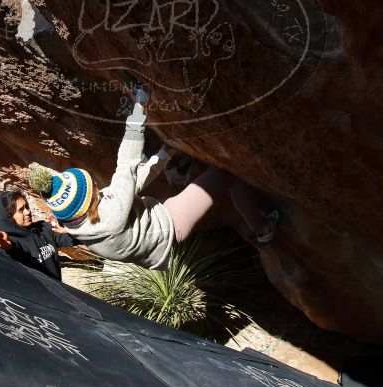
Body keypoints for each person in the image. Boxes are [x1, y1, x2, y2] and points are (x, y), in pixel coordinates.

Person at [27, 88, 280, 271]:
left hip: (154, 235)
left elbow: (134, 182)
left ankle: (257, 226)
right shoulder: (111, 212)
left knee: (196, 183)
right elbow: (127, 164)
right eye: (88, 186)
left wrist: (165, 153)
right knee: (225, 175)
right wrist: (140, 107)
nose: (93, 184)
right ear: (87, 197)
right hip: (169, 227)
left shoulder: (77, 222)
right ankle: (263, 231)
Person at [0, 190, 80, 281]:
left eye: (26, 207)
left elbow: (74, 239)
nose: (27, 212)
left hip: (58, 290)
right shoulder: (10, 243)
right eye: (21, 210)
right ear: (8, 218)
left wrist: (68, 227)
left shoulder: (43, 228)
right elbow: (14, 253)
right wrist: (8, 248)